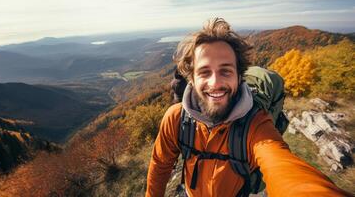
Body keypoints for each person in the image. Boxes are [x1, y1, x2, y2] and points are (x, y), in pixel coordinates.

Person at [145, 18, 351, 197]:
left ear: (239, 76)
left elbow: (284, 167)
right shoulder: (176, 118)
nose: (215, 83)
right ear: (192, 78)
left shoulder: (256, 124)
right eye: (204, 72)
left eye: (225, 71)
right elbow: (160, 165)